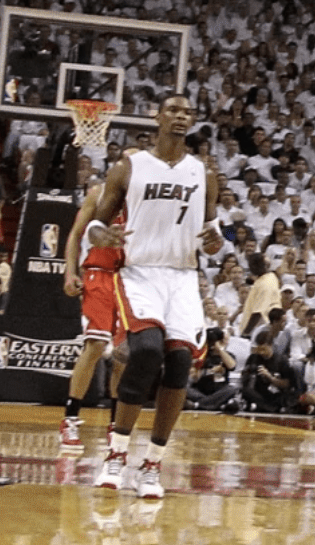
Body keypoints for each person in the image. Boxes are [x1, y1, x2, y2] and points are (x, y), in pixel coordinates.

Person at [65, 95, 222, 499]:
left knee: (181, 362)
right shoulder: (129, 167)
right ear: (157, 117)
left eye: (187, 111)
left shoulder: (203, 172)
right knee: (147, 351)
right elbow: (96, 226)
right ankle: (116, 455)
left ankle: (153, 463)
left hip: (184, 276)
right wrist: (103, 236)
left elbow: (212, 235)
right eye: (172, 110)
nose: (180, 116)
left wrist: (216, 240)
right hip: (140, 273)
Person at [60, 157, 129, 448]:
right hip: (99, 274)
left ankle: (115, 425)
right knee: (96, 345)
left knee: (123, 355)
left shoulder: (145, 199)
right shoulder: (98, 194)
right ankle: (70, 418)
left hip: (130, 278)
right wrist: (69, 272)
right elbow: (76, 234)